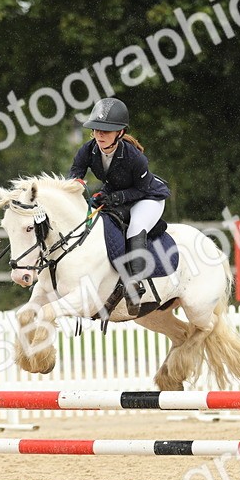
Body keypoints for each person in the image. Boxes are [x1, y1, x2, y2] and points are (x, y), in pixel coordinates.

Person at [68, 97, 171, 316]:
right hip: (117, 194)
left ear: (120, 133)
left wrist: (114, 198)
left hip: (148, 197)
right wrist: (75, 186)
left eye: (106, 130)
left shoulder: (135, 158)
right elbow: (76, 172)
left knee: (135, 226)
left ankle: (134, 285)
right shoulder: (88, 150)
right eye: (96, 129)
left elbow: (141, 190)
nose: (100, 135)